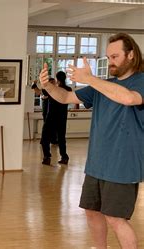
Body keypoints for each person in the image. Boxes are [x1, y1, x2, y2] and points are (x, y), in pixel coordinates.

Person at [39, 33, 143, 249]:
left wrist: (90, 79)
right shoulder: (102, 85)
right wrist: (48, 87)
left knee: (115, 218)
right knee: (92, 211)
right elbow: (66, 97)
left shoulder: (141, 81)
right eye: (108, 57)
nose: (110, 62)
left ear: (131, 55)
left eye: (115, 56)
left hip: (123, 164)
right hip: (97, 163)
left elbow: (129, 98)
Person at [40, 72, 72, 165]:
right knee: (61, 138)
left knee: (45, 138)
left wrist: (46, 82)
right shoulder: (68, 89)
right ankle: (64, 157)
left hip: (51, 117)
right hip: (62, 117)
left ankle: (47, 157)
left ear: (57, 79)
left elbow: (43, 91)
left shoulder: (54, 89)